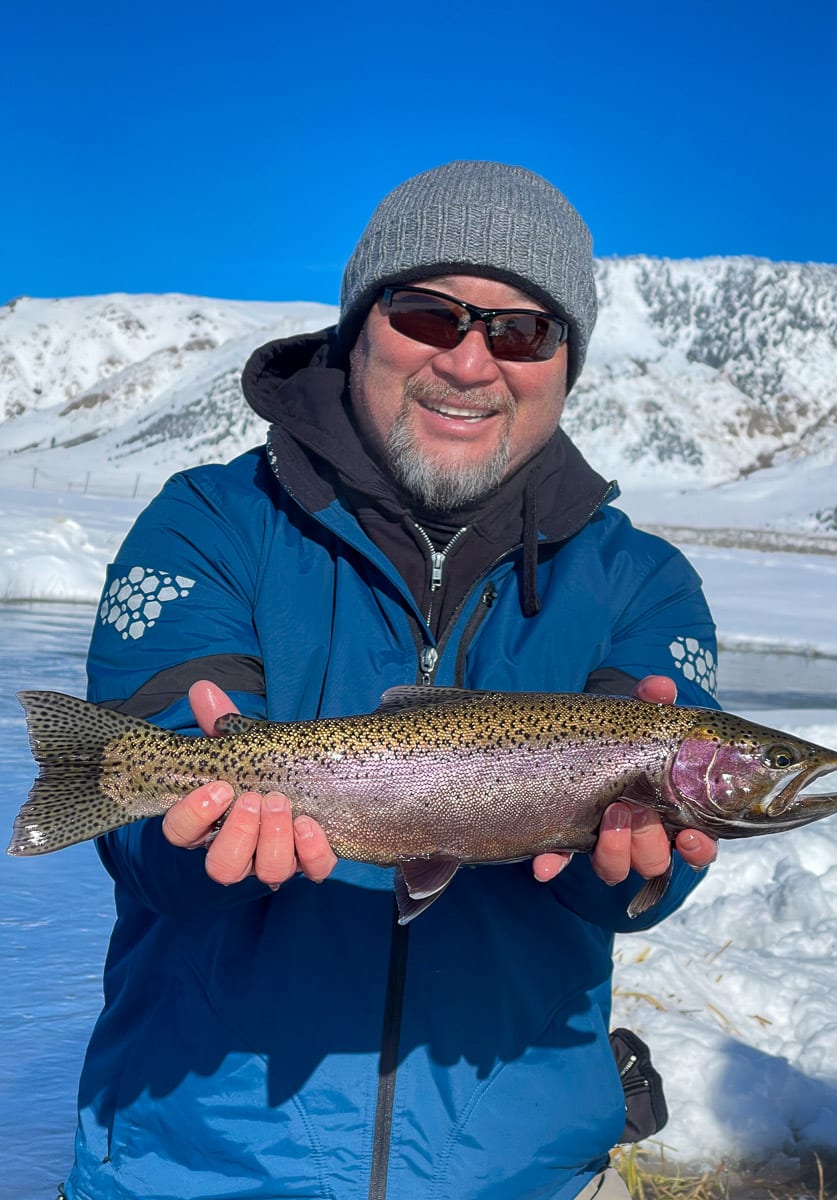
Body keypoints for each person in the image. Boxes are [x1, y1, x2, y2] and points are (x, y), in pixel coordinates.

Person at [65, 161, 718, 1200]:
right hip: (196, 1169)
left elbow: (660, 874)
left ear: (566, 363)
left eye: (520, 331)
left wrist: (640, 867)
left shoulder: (642, 585)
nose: (470, 361)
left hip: (525, 1178)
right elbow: (130, 802)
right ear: (359, 325)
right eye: (428, 314)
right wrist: (184, 824)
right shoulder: (210, 523)